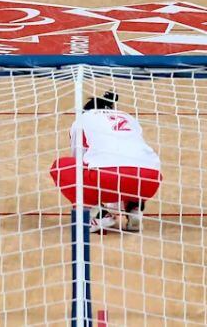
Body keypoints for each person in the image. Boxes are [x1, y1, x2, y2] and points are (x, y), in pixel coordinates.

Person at [49, 91, 162, 233]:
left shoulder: (83, 119)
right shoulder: (128, 118)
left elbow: (80, 160)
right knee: (133, 166)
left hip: (108, 178)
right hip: (149, 180)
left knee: (60, 167)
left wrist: (103, 201)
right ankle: (134, 210)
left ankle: (98, 215)